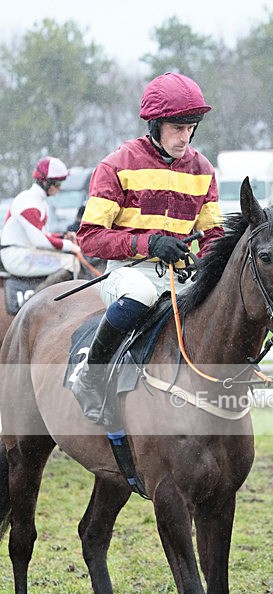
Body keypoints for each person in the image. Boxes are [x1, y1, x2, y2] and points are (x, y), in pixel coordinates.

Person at [72, 71, 224, 423]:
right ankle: (91, 378)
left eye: (190, 127)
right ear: (155, 124)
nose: (184, 137)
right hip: (127, 275)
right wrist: (149, 243)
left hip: (179, 276)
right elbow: (90, 237)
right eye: (176, 128)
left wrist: (207, 262)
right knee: (141, 292)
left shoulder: (202, 170)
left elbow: (213, 233)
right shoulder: (116, 165)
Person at [0, 157, 81, 280]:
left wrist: (63, 237)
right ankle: (40, 299)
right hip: (16, 255)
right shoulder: (28, 202)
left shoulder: (40, 202)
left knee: (70, 259)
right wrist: (70, 246)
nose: (60, 188)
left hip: (25, 251)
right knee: (71, 263)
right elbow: (40, 241)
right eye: (57, 183)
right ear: (45, 182)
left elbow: (44, 235)